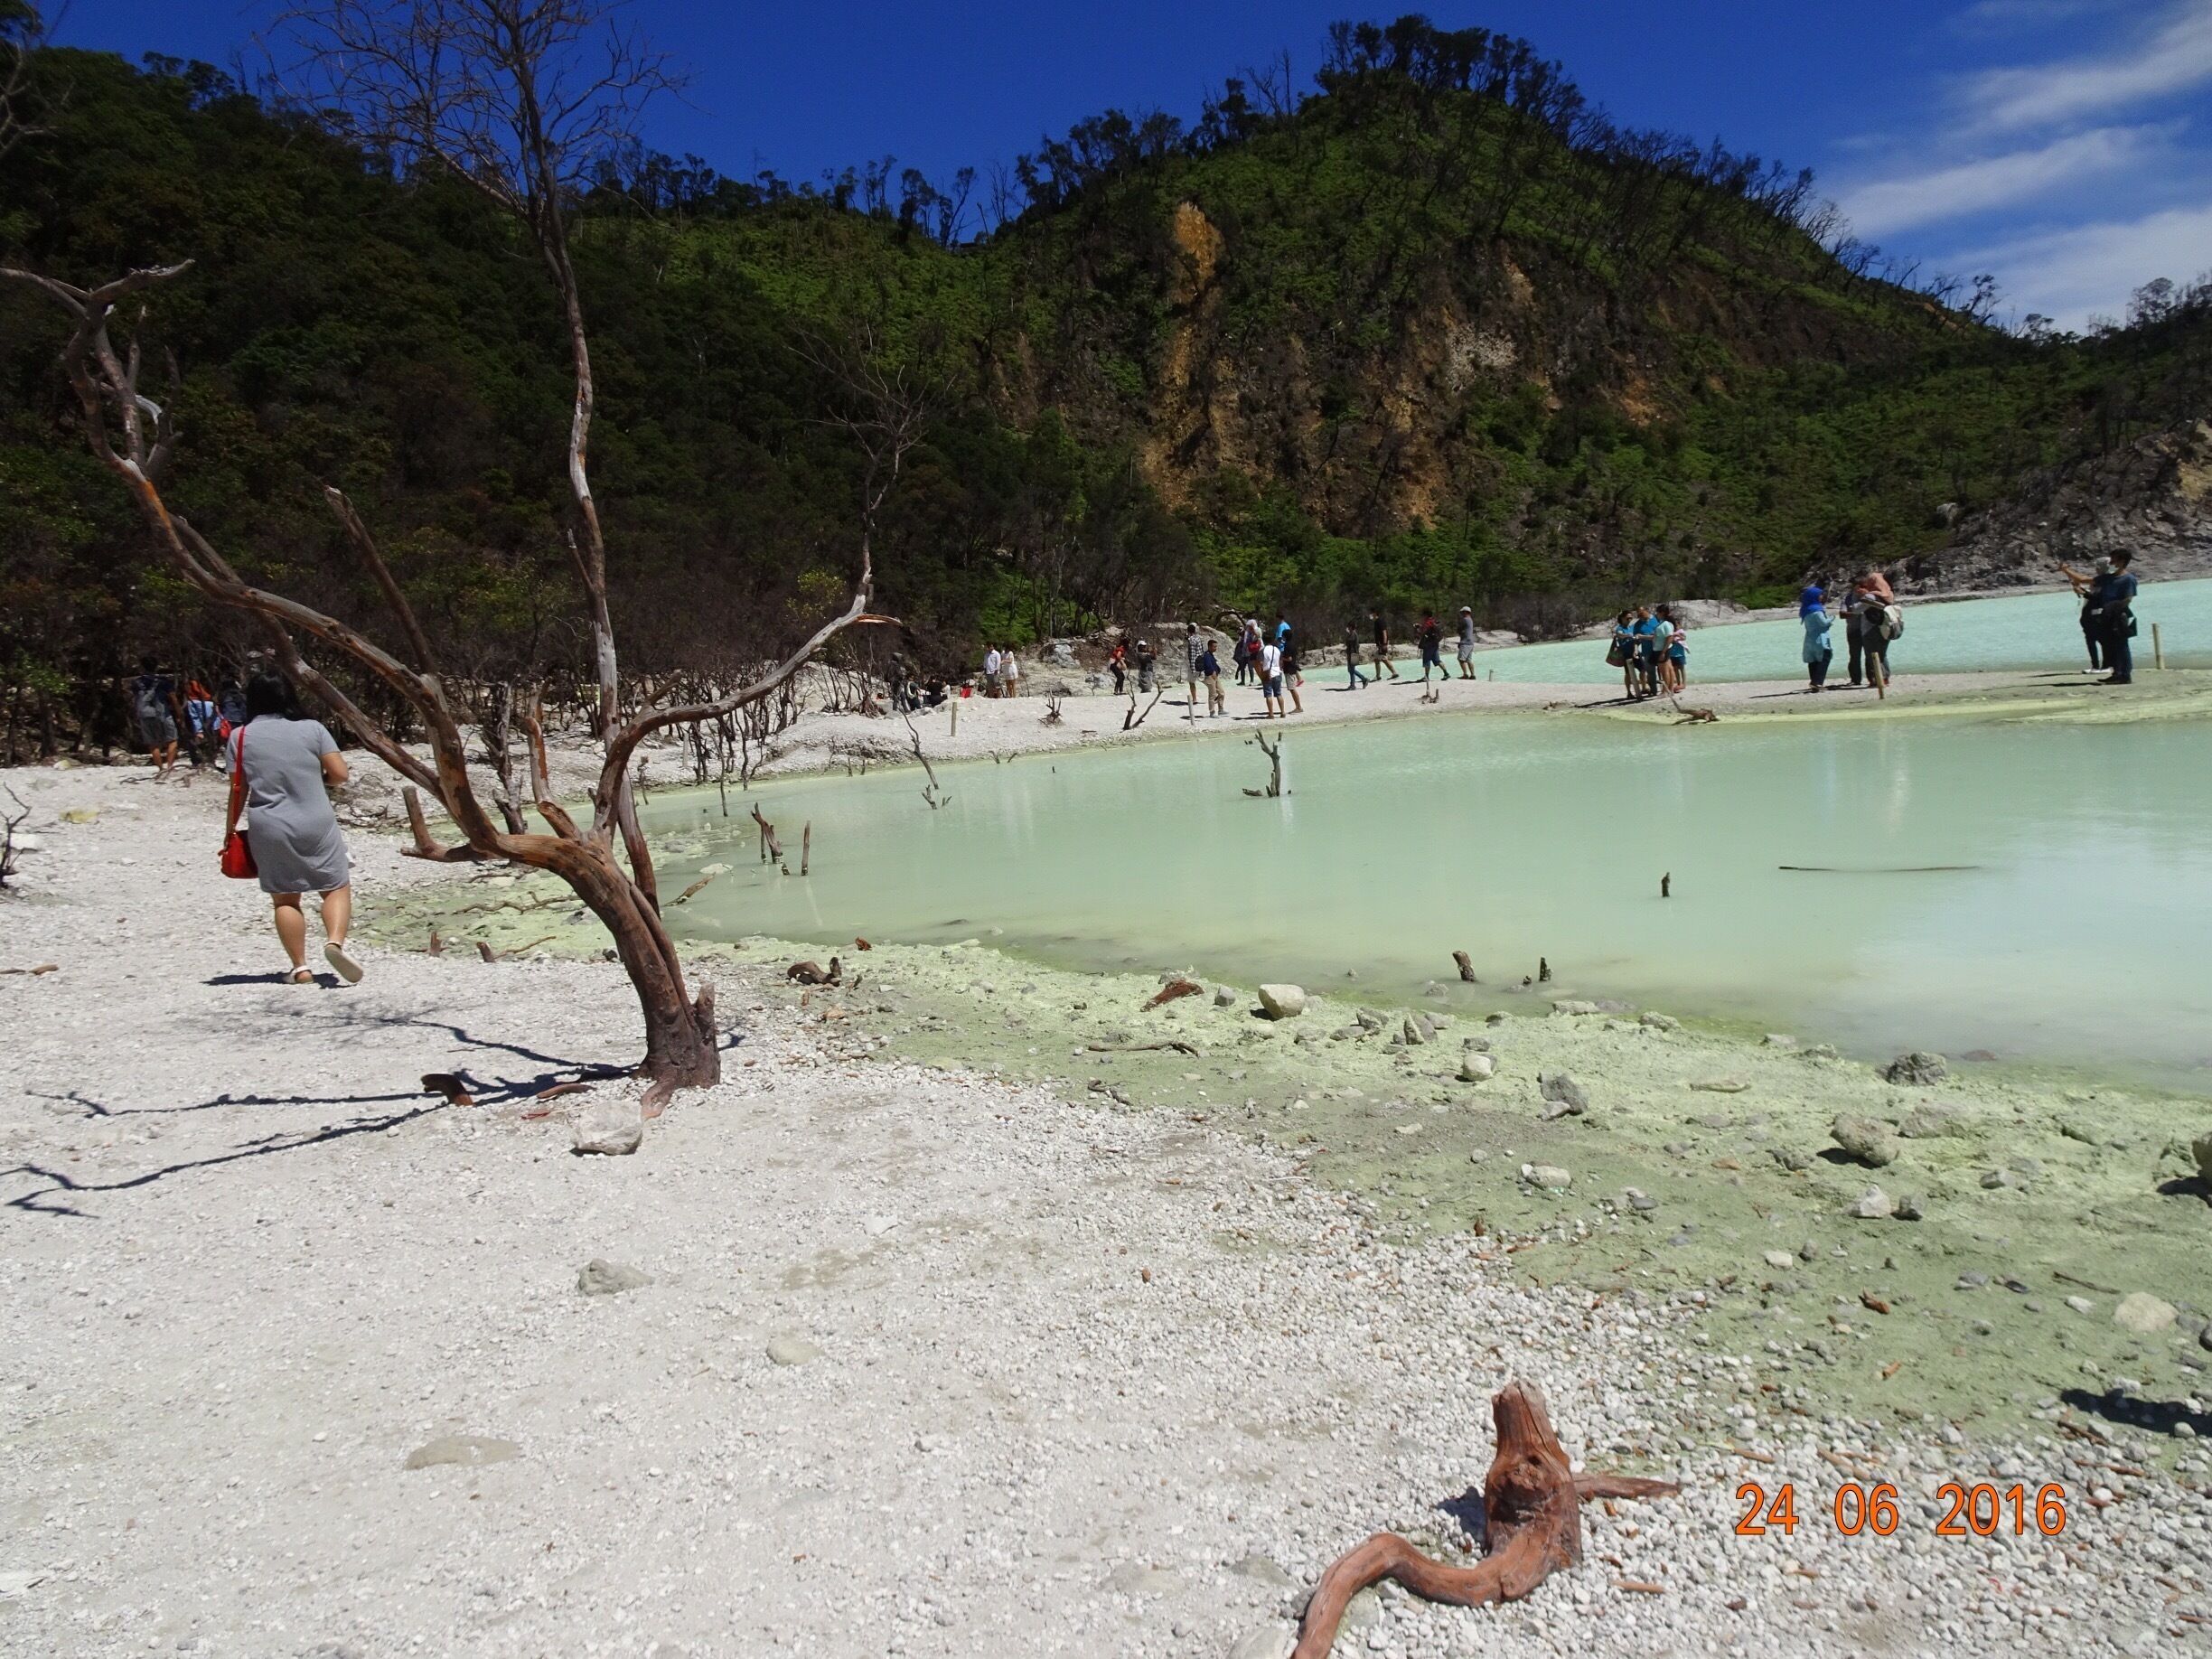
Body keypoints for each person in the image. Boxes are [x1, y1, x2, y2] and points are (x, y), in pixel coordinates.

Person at [223, 670, 361, 986]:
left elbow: (238, 790)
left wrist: (229, 829)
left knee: (285, 899)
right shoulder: (313, 729)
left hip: (268, 824)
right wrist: (318, 779)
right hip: (315, 819)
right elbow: (340, 775)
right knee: (335, 886)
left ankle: (300, 968)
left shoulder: (239, 737)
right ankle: (334, 942)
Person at [2085, 551, 2138, 684]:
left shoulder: (2128, 579)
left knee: (2121, 645)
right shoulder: (2108, 578)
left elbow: (2128, 598)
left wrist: (2114, 608)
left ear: (2122, 561)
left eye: (2113, 560)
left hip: (2119, 616)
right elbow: (2085, 580)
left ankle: (2125, 675)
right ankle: (2116, 673)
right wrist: (2067, 571)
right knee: (2111, 645)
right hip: (2107, 616)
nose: (2111, 563)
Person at [129, 657, 183, 778]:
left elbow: (136, 699)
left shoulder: (136, 683)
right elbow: (173, 698)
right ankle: (169, 767)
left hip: (145, 715)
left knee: (153, 744)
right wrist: (179, 714)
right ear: (156, 667)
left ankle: (160, 769)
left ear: (141, 667)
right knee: (173, 740)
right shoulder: (163, 681)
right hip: (163, 714)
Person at [2060, 559, 2108, 671]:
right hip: (2090, 615)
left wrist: (2066, 570)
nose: (2096, 569)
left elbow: (2083, 581)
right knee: (2092, 640)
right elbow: (2088, 589)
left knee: (2102, 640)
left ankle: (2106, 666)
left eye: (2098, 567)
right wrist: (2081, 590)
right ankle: (2096, 666)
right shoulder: (2101, 580)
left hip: (2098, 615)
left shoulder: (2106, 580)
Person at [1801, 589, 1834, 690]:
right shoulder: (1817, 610)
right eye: (1820, 595)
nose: (1821, 597)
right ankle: (1818, 682)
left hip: (1809, 639)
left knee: (1813, 661)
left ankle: (1813, 682)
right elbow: (1823, 623)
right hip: (1820, 639)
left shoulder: (1805, 610)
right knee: (1824, 658)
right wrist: (1831, 618)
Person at [1607, 610, 1638, 699]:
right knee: (1628, 673)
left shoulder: (1632, 627)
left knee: (1643, 669)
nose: (1629, 620)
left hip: (1635, 652)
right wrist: (1628, 635)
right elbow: (1620, 635)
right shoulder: (1620, 628)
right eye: (1628, 618)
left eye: (1631, 618)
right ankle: (1629, 692)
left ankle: (1644, 688)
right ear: (1622, 618)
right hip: (1626, 653)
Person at [1651, 605, 1680, 695]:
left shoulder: (1666, 624)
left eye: (1658, 612)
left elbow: (1670, 637)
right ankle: (1670, 689)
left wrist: (1663, 652)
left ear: (1662, 613)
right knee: (1669, 668)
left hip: (1661, 649)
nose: (1656, 614)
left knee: (1664, 670)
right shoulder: (1663, 623)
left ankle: (1665, 691)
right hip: (1660, 648)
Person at [1279, 624, 1305, 715]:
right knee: (1292, 689)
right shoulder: (1292, 644)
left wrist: (1281, 658)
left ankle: (1299, 707)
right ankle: (1298, 706)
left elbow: (1289, 659)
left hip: (1289, 669)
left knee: (1292, 689)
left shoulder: (1287, 646)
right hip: (1292, 668)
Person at [1257, 634, 1284, 717]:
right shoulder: (1277, 649)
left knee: (1268, 694)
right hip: (1277, 672)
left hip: (1268, 673)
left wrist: (1261, 673)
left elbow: (1260, 663)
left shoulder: (1263, 651)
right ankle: (1283, 712)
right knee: (1279, 694)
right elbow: (1280, 661)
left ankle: (1271, 713)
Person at [1369, 608, 1401, 680]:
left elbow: (1384, 632)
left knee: (1382, 659)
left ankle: (1393, 673)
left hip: (1382, 644)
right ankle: (1379, 675)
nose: (1370, 615)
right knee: (1379, 659)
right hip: (1380, 644)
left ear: (1374, 614)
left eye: (1371, 613)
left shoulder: (1379, 621)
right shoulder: (1376, 622)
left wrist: (1385, 644)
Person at [1198, 635, 1225, 716]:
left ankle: (1221, 709)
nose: (1215, 648)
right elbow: (1208, 666)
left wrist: (1218, 670)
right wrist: (1213, 672)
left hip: (1215, 676)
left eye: (1216, 647)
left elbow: (1214, 665)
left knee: (1221, 692)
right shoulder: (1206, 655)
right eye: (1214, 647)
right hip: (1210, 677)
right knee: (1212, 694)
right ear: (1209, 647)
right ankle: (1212, 712)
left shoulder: (1211, 655)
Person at [1417, 612, 1445, 681]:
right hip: (1435, 644)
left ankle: (1426, 676)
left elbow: (1423, 632)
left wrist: (1418, 629)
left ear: (1426, 615)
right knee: (1437, 660)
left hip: (1428, 644)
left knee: (1427, 660)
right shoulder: (1434, 621)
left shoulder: (1427, 623)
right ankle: (1446, 673)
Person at [1342, 620, 1367, 689]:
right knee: (1350, 670)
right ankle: (1357, 682)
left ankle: (1360, 681)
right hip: (1351, 653)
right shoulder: (1352, 634)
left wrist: (1348, 634)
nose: (1348, 628)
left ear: (1351, 627)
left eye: (1349, 626)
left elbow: (1349, 642)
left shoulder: (1353, 634)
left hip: (1354, 654)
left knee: (1351, 670)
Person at [1184, 623, 1204, 713]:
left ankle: (1194, 699)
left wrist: (1192, 668)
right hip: (1200, 661)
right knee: (1204, 679)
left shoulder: (1191, 641)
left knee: (1192, 682)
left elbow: (1192, 655)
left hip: (1195, 663)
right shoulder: (1198, 638)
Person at [1455, 606, 1477, 679]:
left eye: (1462, 612)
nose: (1461, 614)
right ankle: (1473, 675)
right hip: (1470, 642)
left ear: (1465, 612)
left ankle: (1465, 675)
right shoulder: (1470, 620)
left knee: (1461, 659)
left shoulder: (1465, 620)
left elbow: (1459, 629)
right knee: (1469, 660)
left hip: (1465, 642)